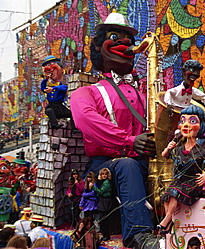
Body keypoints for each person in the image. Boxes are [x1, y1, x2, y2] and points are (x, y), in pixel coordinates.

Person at [70, 12, 158, 248]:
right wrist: (129, 141)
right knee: (126, 165)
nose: (126, 43)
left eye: (129, 39)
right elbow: (86, 121)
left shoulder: (145, 93)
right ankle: (137, 235)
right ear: (98, 45)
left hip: (142, 161)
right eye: (114, 37)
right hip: (105, 165)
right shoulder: (85, 93)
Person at [160, 105, 205, 234]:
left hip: (192, 183)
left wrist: (204, 175)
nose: (186, 125)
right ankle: (169, 220)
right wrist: (168, 147)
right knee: (167, 195)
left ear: (201, 126)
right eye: (183, 121)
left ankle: (166, 220)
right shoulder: (178, 149)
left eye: (192, 121)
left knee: (174, 192)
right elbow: (164, 155)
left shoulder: (201, 151)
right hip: (179, 181)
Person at [40, 55, 77, 131]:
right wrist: (45, 80)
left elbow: (64, 88)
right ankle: (54, 125)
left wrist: (53, 88)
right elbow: (43, 88)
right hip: (52, 106)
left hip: (60, 106)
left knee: (72, 114)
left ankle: (74, 128)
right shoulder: (48, 84)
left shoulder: (61, 83)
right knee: (49, 111)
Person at [90, 168, 114, 241]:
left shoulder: (107, 182)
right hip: (103, 201)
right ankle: (105, 235)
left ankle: (106, 235)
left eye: (105, 174)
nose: (104, 176)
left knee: (104, 219)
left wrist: (93, 187)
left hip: (106, 201)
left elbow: (100, 192)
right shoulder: (104, 182)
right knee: (103, 219)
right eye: (102, 174)